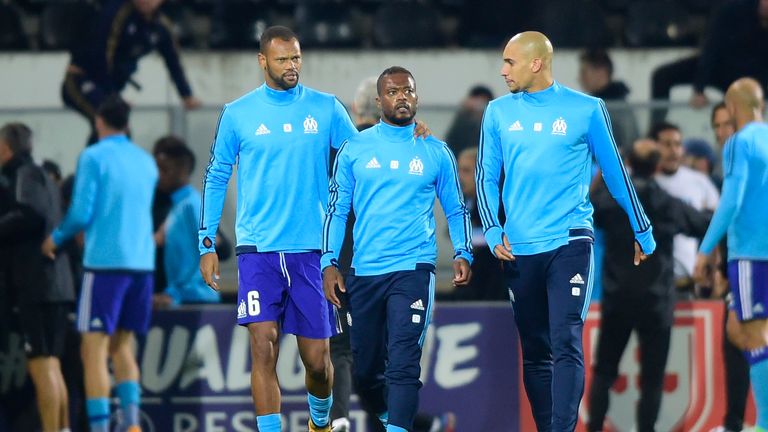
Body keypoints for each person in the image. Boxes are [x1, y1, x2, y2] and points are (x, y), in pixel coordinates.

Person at [476, 31, 656, 432]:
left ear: (536, 63)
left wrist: (641, 228)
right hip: (518, 246)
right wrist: (492, 228)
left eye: (510, 62)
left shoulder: (587, 109)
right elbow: (486, 177)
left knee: (565, 339)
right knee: (536, 351)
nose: (502, 70)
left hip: (571, 240)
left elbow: (613, 173)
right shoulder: (497, 112)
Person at [199, 26, 367, 432]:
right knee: (263, 345)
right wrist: (206, 241)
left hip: (312, 251)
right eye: (282, 60)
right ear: (262, 61)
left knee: (318, 362)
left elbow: (362, 157)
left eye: (296, 58)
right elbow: (217, 174)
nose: (292, 67)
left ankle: (319, 423)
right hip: (258, 250)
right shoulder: (238, 114)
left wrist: (404, 135)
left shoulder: (326, 108)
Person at [321, 66, 472, 432]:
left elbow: (454, 206)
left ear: (417, 97)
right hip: (364, 271)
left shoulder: (436, 151)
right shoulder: (355, 149)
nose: (401, 97)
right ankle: (395, 419)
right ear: (378, 101)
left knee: (403, 363)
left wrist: (463, 250)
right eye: (393, 92)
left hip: (414, 269)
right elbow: (337, 209)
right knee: (366, 369)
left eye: (408, 91)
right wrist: (328, 261)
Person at [41, 95, 158, 432]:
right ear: (128, 124)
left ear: (98, 122)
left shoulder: (93, 156)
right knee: (123, 345)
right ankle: (132, 424)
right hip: (142, 264)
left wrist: (55, 239)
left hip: (106, 265)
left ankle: (100, 427)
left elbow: (80, 213)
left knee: (93, 349)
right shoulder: (145, 161)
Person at [588, 139, 711, 432]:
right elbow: (701, 224)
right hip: (656, 302)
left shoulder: (612, 201)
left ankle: (593, 428)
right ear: (657, 167)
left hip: (618, 299)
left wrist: (604, 175)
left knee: (604, 371)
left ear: (628, 164)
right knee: (653, 377)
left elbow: (588, 207)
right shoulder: (667, 203)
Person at [695, 77, 768, 432]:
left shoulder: (739, 143)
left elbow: (731, 202)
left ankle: (765, 424)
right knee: (739, 330)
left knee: (753, 336)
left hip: (752, 256)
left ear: (734, 108)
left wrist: (705, 249)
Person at [0, 123, 75, 432]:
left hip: (37, 286)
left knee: (41, 365)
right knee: (52, 365)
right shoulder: (44, 175)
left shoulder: (23, 174)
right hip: (56, 284)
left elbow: (28, 216)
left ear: (6, 149)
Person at [61, 0, 201, 144]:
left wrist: (186, 94)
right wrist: (113, 97)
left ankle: (99, 162)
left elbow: (173, 61)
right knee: (112, 123)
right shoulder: (117, 13)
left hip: (110, 88)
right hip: (82, 78)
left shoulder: (161, 27)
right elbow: (102, 56)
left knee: (114, 128)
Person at [650, 0, 768, 124]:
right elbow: (711, 48)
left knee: (747, 112)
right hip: (719, 66)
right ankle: (656, 130)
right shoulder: (733, 9)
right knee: (661, 77)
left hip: (755, 76)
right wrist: (699, 88)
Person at [651, 121, 720, 296]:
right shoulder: (643, 185)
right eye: (666, 144)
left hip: (686, 283)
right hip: (649, 283)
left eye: (677, 144)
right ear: (654, 147)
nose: (673, 150)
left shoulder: (699, 182)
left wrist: (713, 265)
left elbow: (716, 226)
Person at [152, 143, 220, 308]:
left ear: (182, 171)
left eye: (164, 170)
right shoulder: (178, 206)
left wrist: (176, 293)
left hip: (196, 299)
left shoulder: (192, 204)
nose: (159, 175)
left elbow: (208, 248)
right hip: (183, 298)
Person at [452, 146, 506, 301]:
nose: (460, 177)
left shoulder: (496, 203)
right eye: (458, 171)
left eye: (466, 171)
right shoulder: (463, 203)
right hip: (471, 280)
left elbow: (499, 238)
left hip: (492, 286)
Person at [578, 49, 639, 150]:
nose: (580, 78)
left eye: (584, 72)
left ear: (601, 72)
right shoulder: (601, 104)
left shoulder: (615, 108)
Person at [445, 85, 494, 157]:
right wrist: (464, 110)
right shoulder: (463, 121)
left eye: (483, 102)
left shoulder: (495, 121)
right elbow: (451, 142)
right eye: (477, 101)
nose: (479, 106)